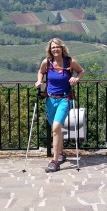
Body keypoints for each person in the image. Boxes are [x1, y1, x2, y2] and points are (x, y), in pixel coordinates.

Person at [34, 37, 85, 173]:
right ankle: (61, 153)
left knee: (56, 127)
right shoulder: (47, 62)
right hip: (50, 100)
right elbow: (41, 71)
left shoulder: (70, 62)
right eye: (53, 47)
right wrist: (39, 81)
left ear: (62, 48)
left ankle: (55, 161)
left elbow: (81, 71)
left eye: (57, 47)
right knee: (56, 129)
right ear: (50, 50)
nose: (55, 49)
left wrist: (76, 78)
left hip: (64, 99)